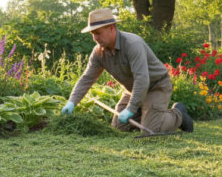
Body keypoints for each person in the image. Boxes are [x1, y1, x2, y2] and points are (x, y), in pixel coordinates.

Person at [61, 8, 194, 134]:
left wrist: (131, 108)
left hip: (156, 87)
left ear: (112, 28)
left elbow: (142, 79)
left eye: (98, 33)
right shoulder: (98, 52)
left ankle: (178, 114)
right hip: (133, 91)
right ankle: (148, 115)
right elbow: (87, 78)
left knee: (151, 131)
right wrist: (72, 102)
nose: (95, 38)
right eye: (92, 34)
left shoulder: (133, 45)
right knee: (119, 128)